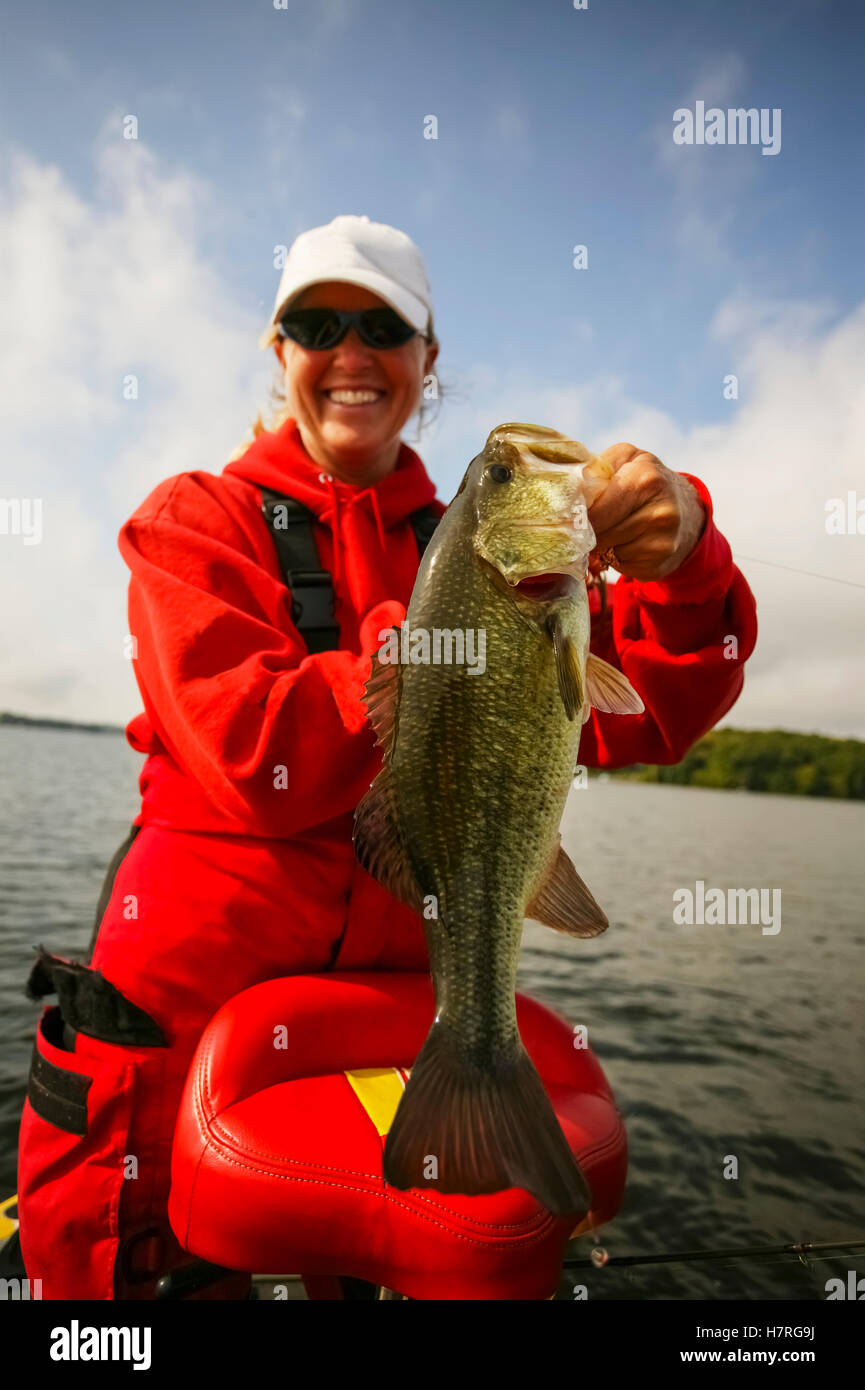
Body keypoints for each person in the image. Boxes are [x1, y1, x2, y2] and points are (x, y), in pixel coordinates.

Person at [16, 214, 758, 1301]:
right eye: (317, 323)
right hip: (169, 1042)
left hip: (383, 1038)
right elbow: (247, 747)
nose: (351, 352)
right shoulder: (194, 519)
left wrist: (684, 558)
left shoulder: (494, 563)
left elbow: (653, 708)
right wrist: (419, 657)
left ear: (427, 359)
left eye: (384, 326)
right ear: (279, 354)